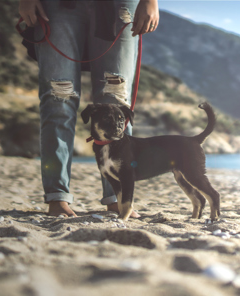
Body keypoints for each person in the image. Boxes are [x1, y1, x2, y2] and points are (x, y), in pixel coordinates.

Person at [19, 0, 159, 217]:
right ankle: (57, 197)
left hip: (119, 5)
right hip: (55, 5)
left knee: (116, 102)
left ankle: (118, 200)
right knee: (58, 99)